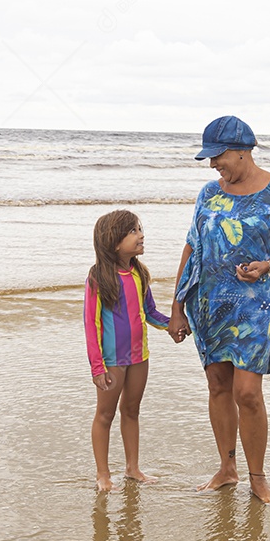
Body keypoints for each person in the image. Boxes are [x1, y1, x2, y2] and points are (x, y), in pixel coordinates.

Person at [168, 116, 270, 505]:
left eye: (218, 157)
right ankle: (226, 468)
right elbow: (191, 247)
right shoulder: (207, 194)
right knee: (218, 386)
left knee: (247, 393)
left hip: (254, 306)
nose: (214, 165)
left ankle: (258, 479)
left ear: (241, 150)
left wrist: (266, 266)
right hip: (209, 304)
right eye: (210, 159)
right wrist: (177, 306)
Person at [84, 209, 171, 492]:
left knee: (131, 410)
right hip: (112, 361)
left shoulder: (139, 273)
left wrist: (174, 326)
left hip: (139, 356)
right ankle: (103, 475)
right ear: (113, 240)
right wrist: (97, 367)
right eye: (133, 231)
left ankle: (133, 468)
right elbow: (91, 323)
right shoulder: (99, 277)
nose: (141, 235)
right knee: (105, 415)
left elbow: (150, 312)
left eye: (139, 229)